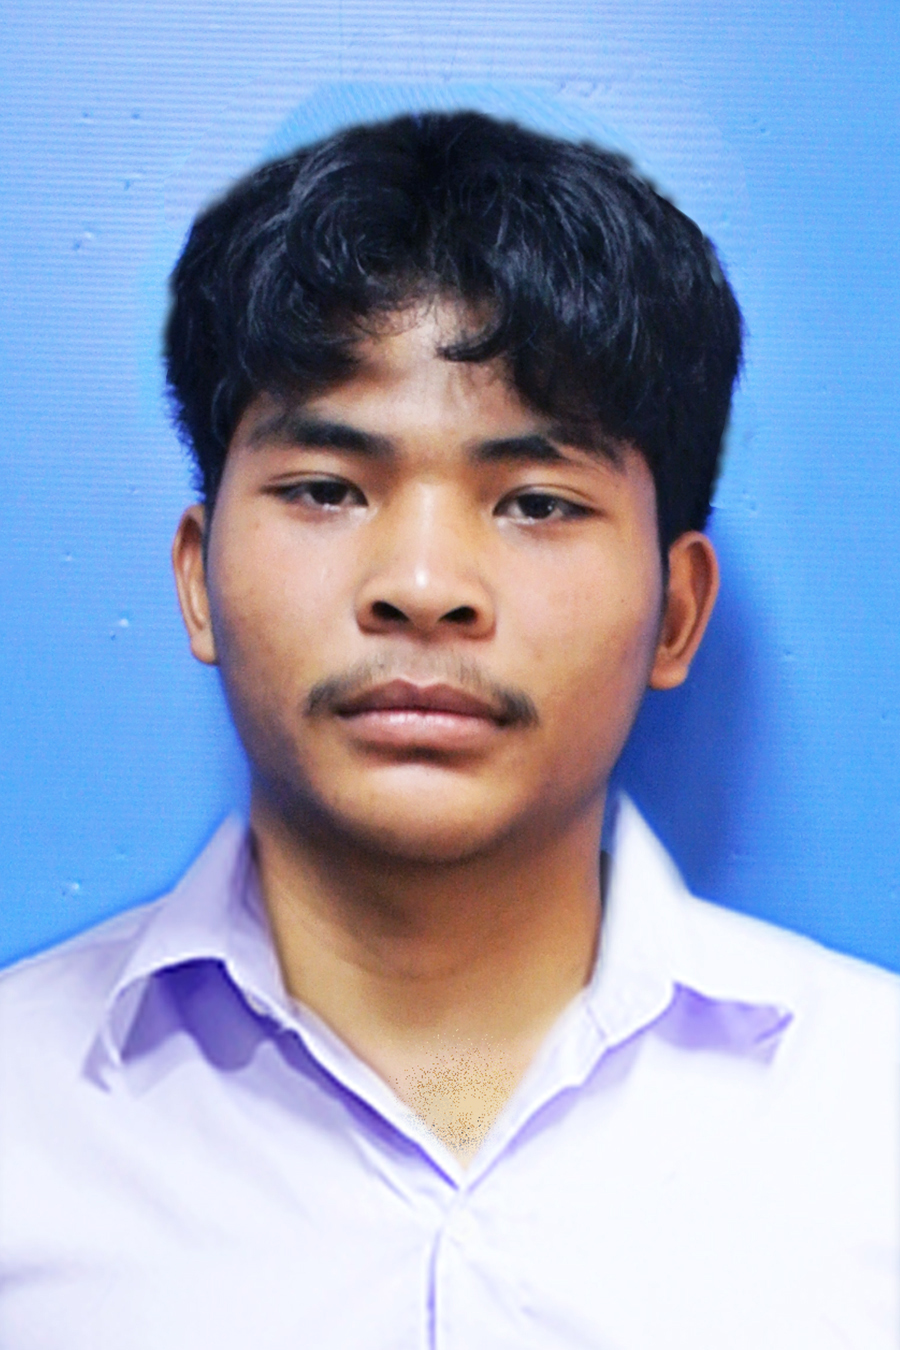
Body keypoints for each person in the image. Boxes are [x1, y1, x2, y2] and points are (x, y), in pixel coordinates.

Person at [1, 110, 896, 1349]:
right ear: (199, 582)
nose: (423, 586)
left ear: (678, 613)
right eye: (327, 489)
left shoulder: (873, 1125)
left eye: (536, 502)